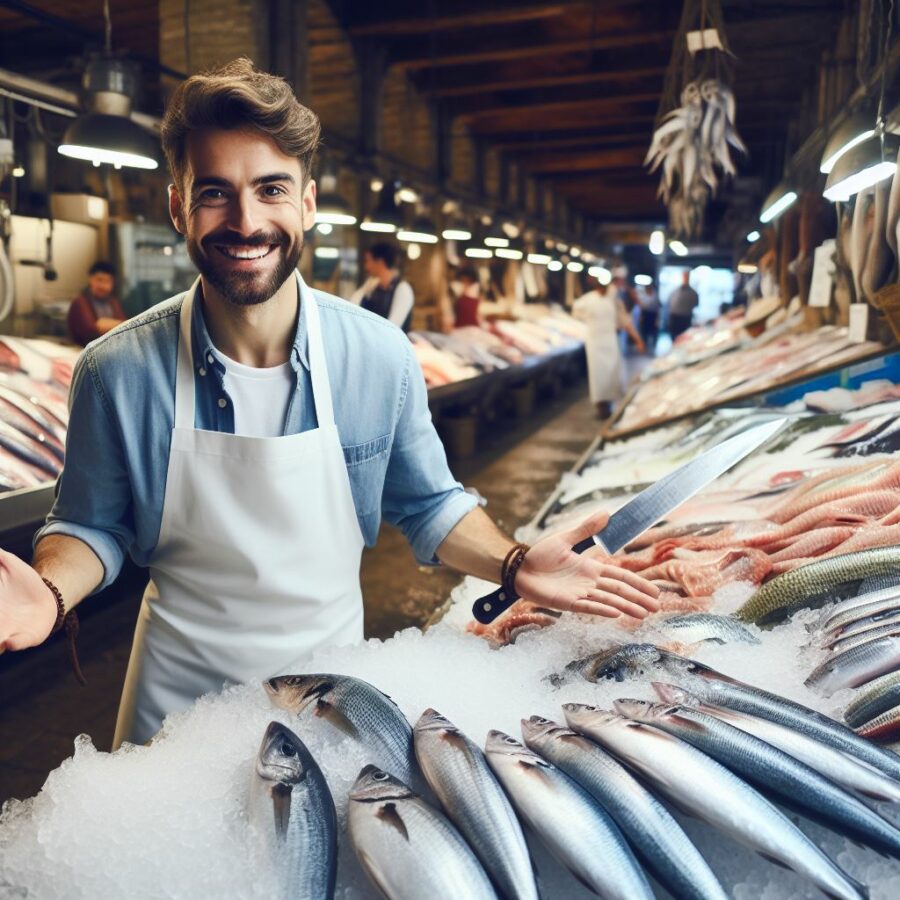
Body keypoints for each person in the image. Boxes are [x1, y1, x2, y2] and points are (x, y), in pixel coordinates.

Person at [0, 59, 658, 748]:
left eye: (271, 189)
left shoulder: (377, 356)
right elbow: (90, 525)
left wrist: (516, 564)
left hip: (330, 698)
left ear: (307, 204)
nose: (246, 221)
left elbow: (428, 503)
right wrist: (49, 593)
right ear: (177, 206)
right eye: (215, 193)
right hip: (176, 717)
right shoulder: (117, 370)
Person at [573, 276, 645, 419]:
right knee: (598, 375)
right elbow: (576, 315)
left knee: (611, 373)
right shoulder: (586, 300)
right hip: (594, 342)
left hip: (610, 341)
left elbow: (625, 321)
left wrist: (638, 340)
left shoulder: (614, 302)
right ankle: (601, 405)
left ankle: (609, 403)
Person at [352, 242, 415, 332]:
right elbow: (353, 309)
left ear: (380, 262)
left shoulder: (402, 288)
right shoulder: (372, 288)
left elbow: (393, 327)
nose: (366, 267)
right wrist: (363, 289)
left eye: (368, 261)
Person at [67, 261, 127, 346]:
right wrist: (117, 325)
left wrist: (104, 324)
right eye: (100, 280)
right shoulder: (80, 302)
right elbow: (90, 330)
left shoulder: (113, 302)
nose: (104, 286)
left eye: (108, 281)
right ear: (90, 279)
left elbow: (125, 327)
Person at [667, 270, 699, 340]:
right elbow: (669, 303)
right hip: (675, 318)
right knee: (674, 338)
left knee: (684, 338)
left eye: (687, 276)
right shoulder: (675, 290)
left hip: (685, 319)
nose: (685, 278)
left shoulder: (693, 292)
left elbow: (696, 305)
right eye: (684, 276)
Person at [637, 283, 660, 350]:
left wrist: (657, 319)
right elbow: (641, 307)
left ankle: (653, 346)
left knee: (653, 332)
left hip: (653, 315)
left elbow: (658, 308)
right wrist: (641, 316)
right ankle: (645, 344)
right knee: (644, 331)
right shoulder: (643, 296)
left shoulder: (655, 297)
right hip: (645, 315)